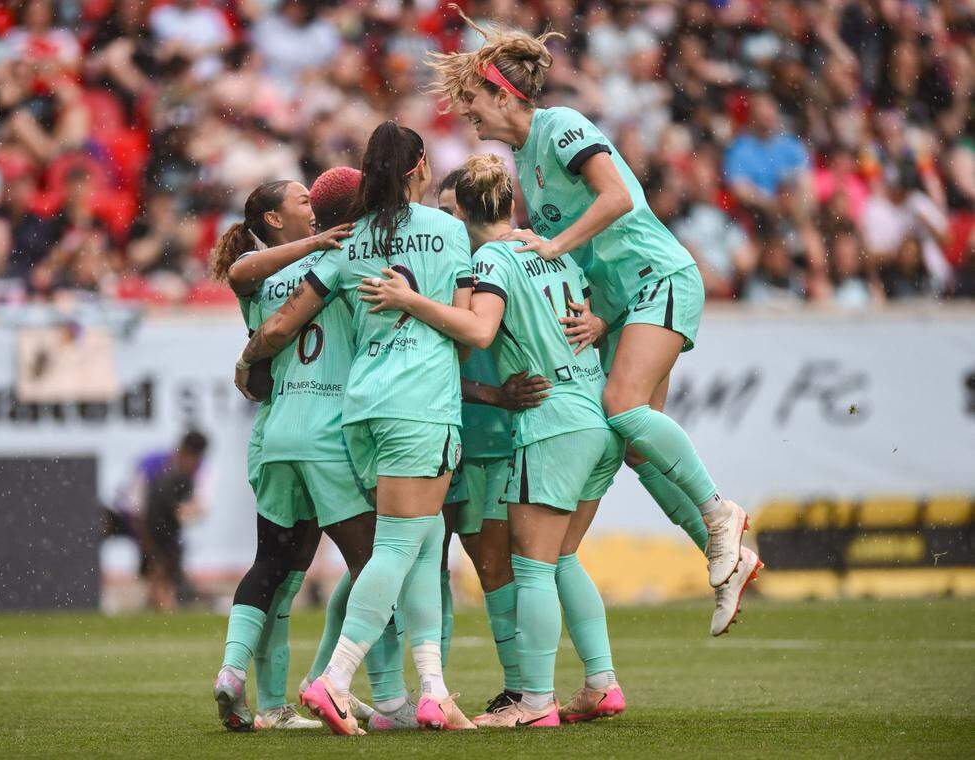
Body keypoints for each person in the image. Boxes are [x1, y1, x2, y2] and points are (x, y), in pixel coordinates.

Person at [427, 15, 760, 634]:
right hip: (626, 300)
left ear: (503, 94)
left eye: (472, 98)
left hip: (660, 277)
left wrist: (554, 248)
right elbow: (589, 251)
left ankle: (720, 515)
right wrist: (598, 314)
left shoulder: (561, 126)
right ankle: (727, 552)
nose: (466, 112)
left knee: (620, 403)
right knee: (636, 443)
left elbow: (617, 200)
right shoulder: (526, 162)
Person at [358, 154, 625, 728]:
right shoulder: (541, 247)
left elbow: (477, 330)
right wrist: (601, 321)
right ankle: (586, 680)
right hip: (577, 414)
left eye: (453, 212)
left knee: (507, 567)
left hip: (518, 428)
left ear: (466, 214)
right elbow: (605, 290)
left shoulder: (487, 262)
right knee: (536, 560)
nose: (445, 222)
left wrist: (410, 303)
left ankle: (526, 697)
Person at [234, 122, 476, 734]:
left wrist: (249, 357)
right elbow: (471, 330)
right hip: (421, 402)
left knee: (410, 548)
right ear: (420, 167)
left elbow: (285, 322)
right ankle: (336, 680)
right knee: (398, 550)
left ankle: (430, 692)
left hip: (361, 409)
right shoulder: (450, 232)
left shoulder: (348, 244)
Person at [209, 175, 407, 732]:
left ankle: (248, 686)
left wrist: (247, 362)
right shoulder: (331, 261)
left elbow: (246, 284)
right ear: (273, 220)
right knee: (375, 564)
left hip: (274, 434)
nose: (310, 207)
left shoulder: (266, 274)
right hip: (326, 432)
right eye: (298, 200)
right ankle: (367, 691)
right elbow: (247, 278)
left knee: (278, 570)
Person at [143, 430, 208, 612]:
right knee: (163, 568)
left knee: (161, 568)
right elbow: (178, 509)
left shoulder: (170, 472)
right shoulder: (177, 477)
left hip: (159, 526)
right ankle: (164, 603)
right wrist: (191, 511)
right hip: (160, 528)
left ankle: (158, 602)